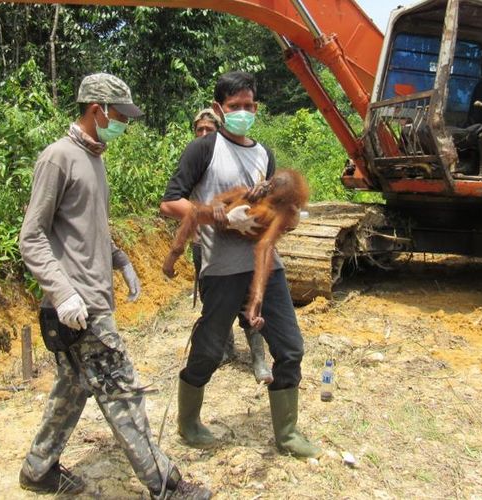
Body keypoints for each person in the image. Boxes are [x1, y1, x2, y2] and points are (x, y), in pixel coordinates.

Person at [18, 72, 211, 499]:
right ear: (96, 110)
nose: (124, 122)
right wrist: (62, 292)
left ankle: (37, 470)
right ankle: (167, 486)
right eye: (120, 114)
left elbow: (92, 229)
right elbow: (30, 236)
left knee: (74, 385)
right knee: (122, 392)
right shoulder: (58, 158)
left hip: (91, 297)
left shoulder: (95, 159)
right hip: (78, 303)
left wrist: (121, 261)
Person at [160, 71, 320, 458]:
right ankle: (189, 422)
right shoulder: (204, 149)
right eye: (235, 107)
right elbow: (170, 203)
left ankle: (286, 432)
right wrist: (221, 218)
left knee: (291, 347)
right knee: (210, 349)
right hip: (221, 268)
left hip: (267, 265)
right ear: (220, 109)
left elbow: (280, 207)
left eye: (249, 106)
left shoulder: (264, 153)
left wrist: (290, 217)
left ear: (257, 107)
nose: (243, 113)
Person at [189, 108, 272, 384]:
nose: (203, 134)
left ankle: (259, 358)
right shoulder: (197, 158)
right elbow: (185, 203)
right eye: (199, 130)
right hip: (206, 244)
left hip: (240, 244)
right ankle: (226, 349)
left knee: (246, 299)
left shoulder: (239, 159)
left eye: (208, 130)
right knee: (213, 302)